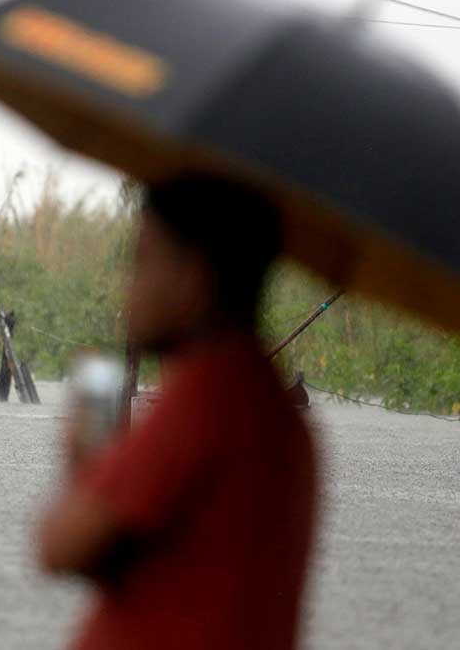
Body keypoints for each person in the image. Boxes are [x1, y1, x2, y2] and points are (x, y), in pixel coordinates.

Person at [35, 174, 317, 650]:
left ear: (193, 277)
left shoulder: (207, 400)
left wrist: (81, 457)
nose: (129, 287)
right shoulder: (267, 406)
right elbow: (124, 558)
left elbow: (61, 545)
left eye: (142, 261)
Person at [0, 310, 16, 402]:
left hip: (7, 358)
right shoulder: (7, 332)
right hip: (8, 348)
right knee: (5, 375)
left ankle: (2, 399)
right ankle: (2, 398)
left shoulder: (7, 324)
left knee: (4, 375)